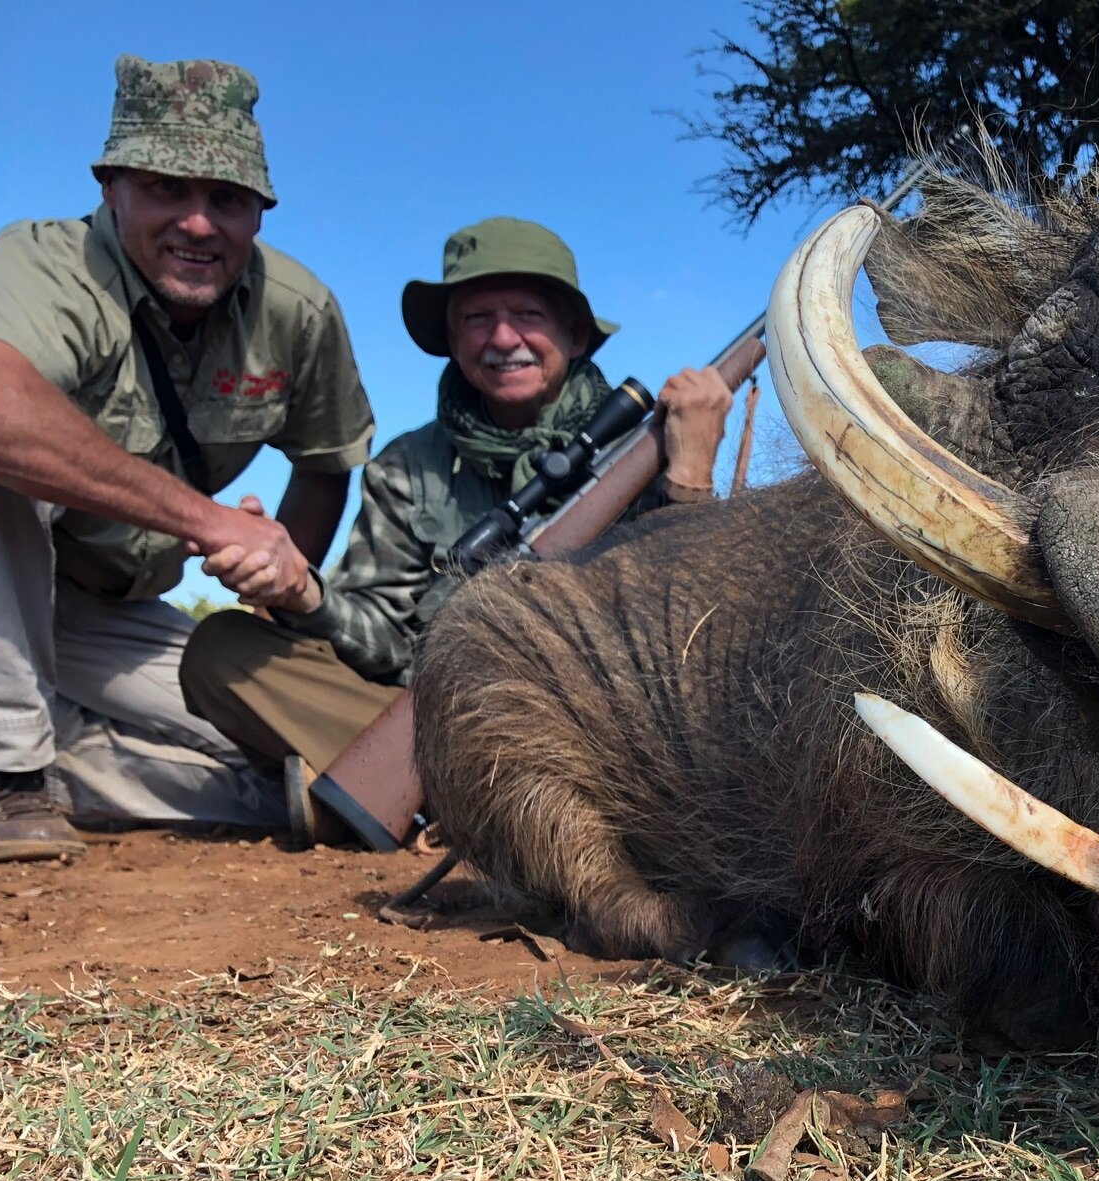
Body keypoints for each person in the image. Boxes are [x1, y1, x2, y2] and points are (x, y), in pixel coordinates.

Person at [0, 55, 374, 861]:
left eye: (226, 199)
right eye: (165, 189)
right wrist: (209, 519)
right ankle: (4, 775)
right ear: (111, 188)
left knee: (284, 753)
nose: (198, 224)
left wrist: (269, 597)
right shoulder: (46, 261)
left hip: (100, 605)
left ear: (259, 211)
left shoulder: (300, 309)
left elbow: (325, 462)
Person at [178, 217, 732, 838]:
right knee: (219, 651)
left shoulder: (648, 451)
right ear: (451, 337)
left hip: (590, 727)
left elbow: (686, 639)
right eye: (477, 318)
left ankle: (419, 803)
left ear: (575, 335)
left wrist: (691, 477)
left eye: (527, 313)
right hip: (437, 721)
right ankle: (461, 806)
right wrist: (304, 593)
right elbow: (381, 640)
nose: (503, 338)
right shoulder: (405, 466)